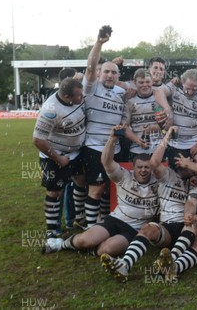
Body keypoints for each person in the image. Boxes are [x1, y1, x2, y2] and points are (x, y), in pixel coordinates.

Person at [100, 127, 197, 282]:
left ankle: (170, 261)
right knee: (148, 228)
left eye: (192, 166)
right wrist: (168, 135)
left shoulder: (195, 183)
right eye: (187, 164)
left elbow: (192, 201)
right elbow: (154, 162)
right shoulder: (167, 176)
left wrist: (188, 214)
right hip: (167, 227)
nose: (191, 168)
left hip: (186, 226)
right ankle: (125, 264)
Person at [42, 125, 159, 256]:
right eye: (140, 167)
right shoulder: (124, 175)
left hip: (134, 229)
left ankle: (94, 248)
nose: (143, 170)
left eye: (147, 167)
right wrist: (112, 138)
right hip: (115, 220)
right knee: (83, 240)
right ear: (134, 167)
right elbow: (106, 161)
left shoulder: (159, 183)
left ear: (152, 168)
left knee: (107, 250)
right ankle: (61, 244)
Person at [80, 26, 127, 229]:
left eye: (113, 73)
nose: (109, 75)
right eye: (106, 71)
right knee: (96, 190)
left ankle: (106, 224)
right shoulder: (91, 87)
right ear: (100, 73)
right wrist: (99, 43)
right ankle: (91, 229)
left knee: (110, 189)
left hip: (115, 149)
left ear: (118, 75)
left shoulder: (121, 92)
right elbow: (91, 67)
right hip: (95, 149)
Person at [33, 78, 86, 238]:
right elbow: (38, 140)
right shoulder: (51, 110)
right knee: (54, 192)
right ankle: (52, 229)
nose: (82, 97)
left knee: (81, 182)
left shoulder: (75, 97)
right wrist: (58, 158)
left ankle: (80, 219)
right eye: (78, 95)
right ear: (67, 97)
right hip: (55, 155)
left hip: (76, 153)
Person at [163, 69, 197, 164]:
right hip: (174, 142)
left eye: (194, 89)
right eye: (187, 88)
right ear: (182, 81)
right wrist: (167, 109)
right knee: (176, 175)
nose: (190, 92)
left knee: (195, 174)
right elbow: (158, 92)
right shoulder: (174, 88)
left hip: (194, 142)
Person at [122, 69, 167, 158]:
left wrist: (153, 128)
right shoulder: (130, 102)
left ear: (152, 82)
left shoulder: (158, 98)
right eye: (141, 82)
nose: (145, 85)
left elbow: (165, 126)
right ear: (135, 83)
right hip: (136, 149)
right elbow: (124, 127)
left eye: (147, 82)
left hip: (158, 148)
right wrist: (138, 141)